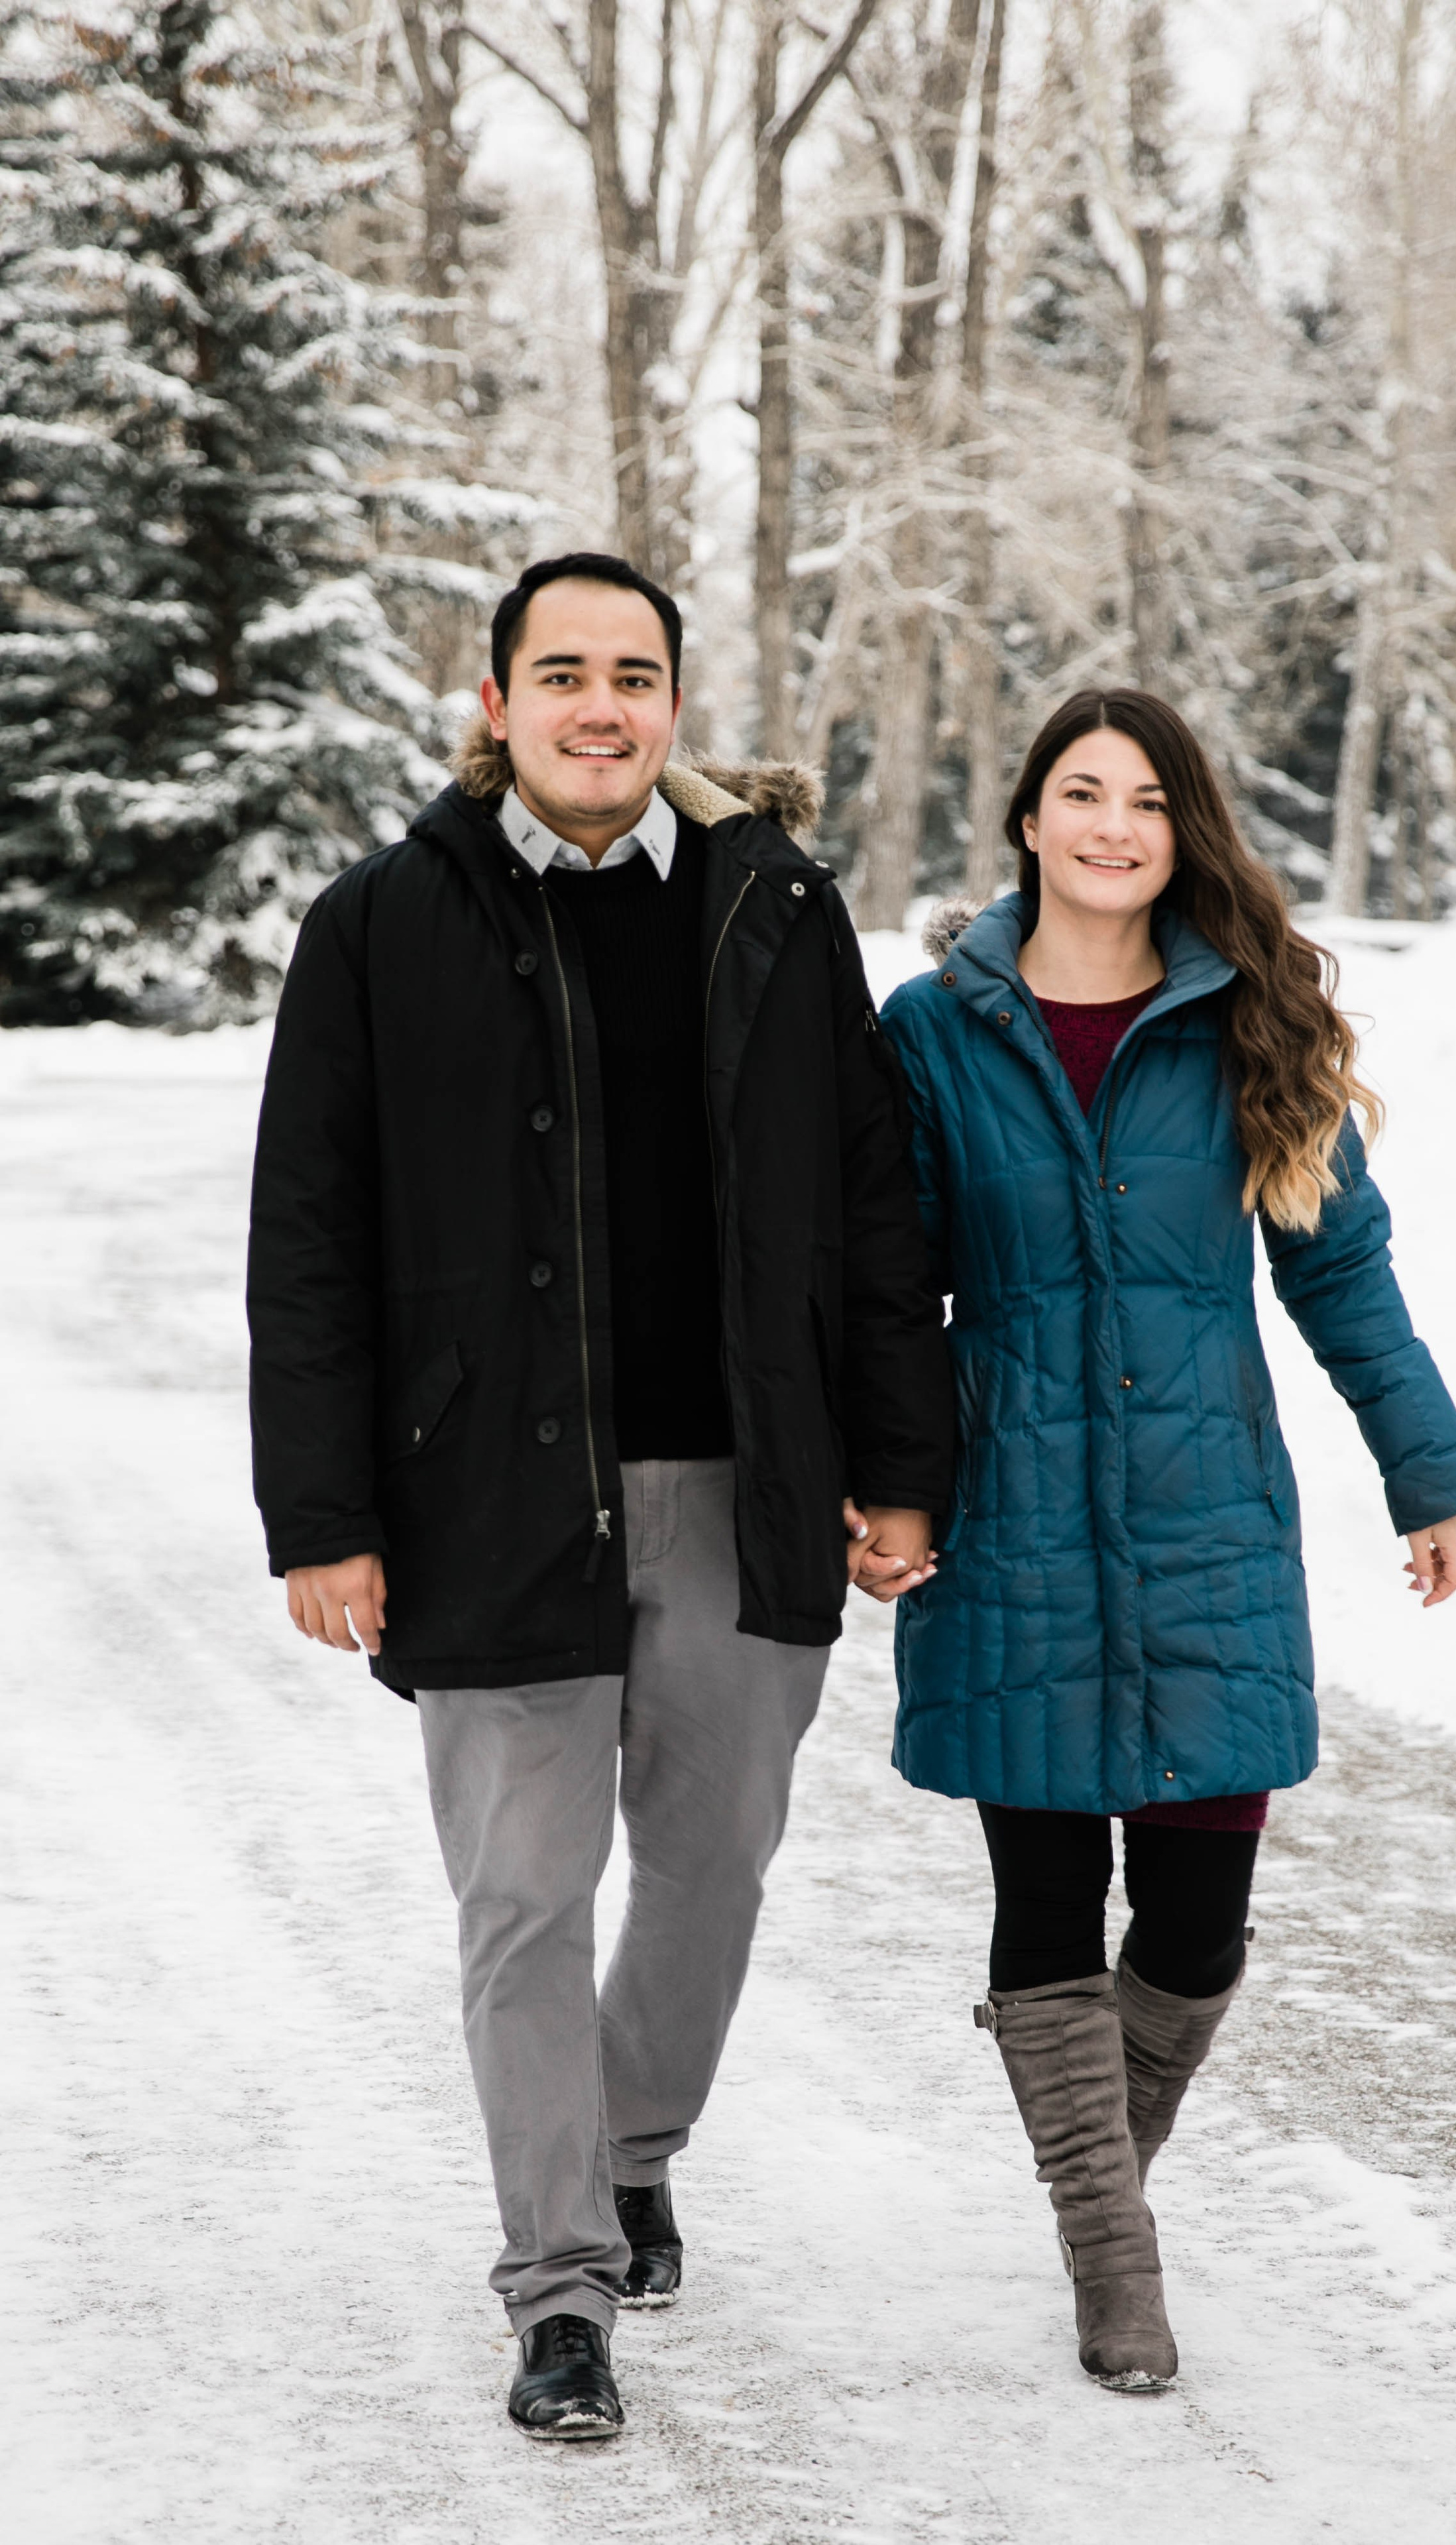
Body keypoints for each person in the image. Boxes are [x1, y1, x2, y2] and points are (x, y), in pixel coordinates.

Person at [247, 553, 954, 2442]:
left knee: (715, 1863)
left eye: (633, 673)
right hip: (486, 1492)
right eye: (560, 672)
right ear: (495, 704)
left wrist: (899, 1462)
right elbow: (307, 1241)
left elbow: (872, 1208)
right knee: (524, 1898)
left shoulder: (777, 911)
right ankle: (559, 2286)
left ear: (672, 702)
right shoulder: (382, 922)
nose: (599, 706)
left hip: (745, 1482)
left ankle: (634, 2142)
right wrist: (323, 1515)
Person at [878, 687, 1456, 2393]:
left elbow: (1338, 1270)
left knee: (1199, 1920)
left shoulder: (1247, 1021)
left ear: (1181, 829)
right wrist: (891, 1482)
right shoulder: (933, 1032)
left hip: (1206, 1519)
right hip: (1011, 1528)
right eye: (1079, 793)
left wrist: (1423, 1470)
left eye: (1146, 800)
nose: (1111, 827)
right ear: (1023, 821)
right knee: (1048, 1899)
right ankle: (1111, 2263)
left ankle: (1095, 2194)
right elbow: (881, 1286)